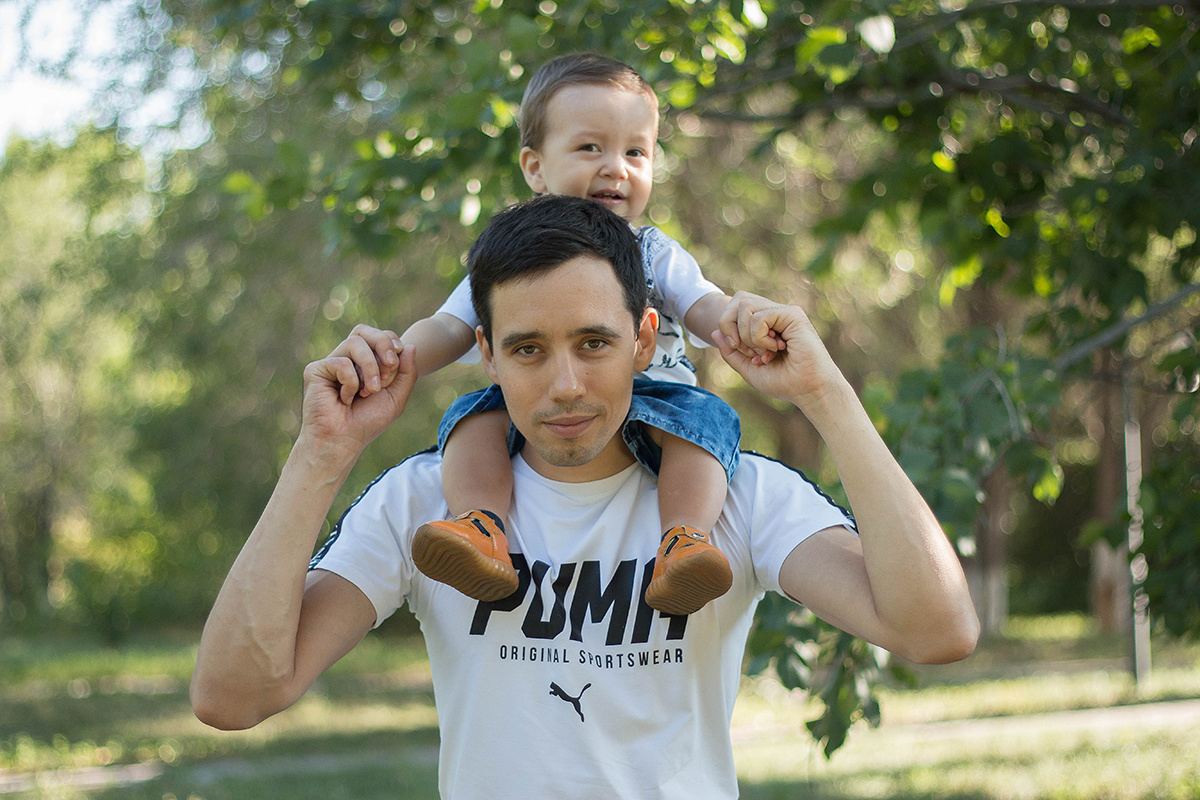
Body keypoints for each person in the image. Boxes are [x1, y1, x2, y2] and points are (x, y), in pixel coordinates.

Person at [191, 195, 979, 799]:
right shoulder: (423, 501)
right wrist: (322, 454)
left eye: (593, 344)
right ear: (487, 355)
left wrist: (827, 395)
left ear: (644, 338)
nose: (565, 386)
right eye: (528, 349)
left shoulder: (736, 493)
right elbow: (233, 695)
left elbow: (936, 630)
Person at [394, 53, 776, 616]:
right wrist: (395, 359)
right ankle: (481, 528)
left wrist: (739, 322)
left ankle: (684, 542)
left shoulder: (652, 250)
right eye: (590, 147)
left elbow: (702, 305)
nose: (616, 168)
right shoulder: (511, 255)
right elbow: (452, 326)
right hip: (536, 401)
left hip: (658, 399)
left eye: (635, 151)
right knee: (472, 419)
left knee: (706, 424)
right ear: (535, 166)